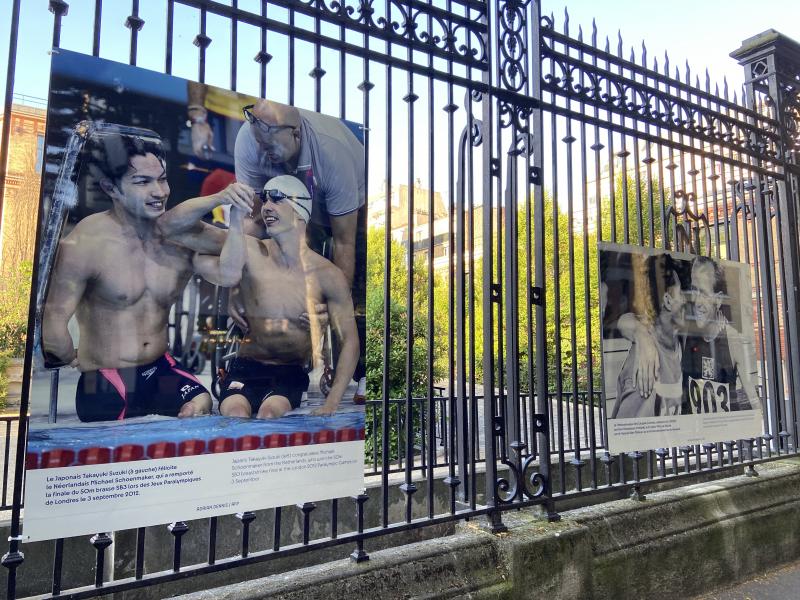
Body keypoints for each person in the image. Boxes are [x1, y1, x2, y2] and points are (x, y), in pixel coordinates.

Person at [41, 129, 252, 422]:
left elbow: (244, 257)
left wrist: (240, 294)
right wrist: (68, 356)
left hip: (160, 367)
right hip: (108, 379)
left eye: (162, 179)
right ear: (110, 188)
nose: (160, 191)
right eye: (143, 182)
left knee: (200, 406)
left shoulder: (179, 237)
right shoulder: (86, 244)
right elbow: (53, 324)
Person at [158, 175, 359, 418]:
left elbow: (350, 341)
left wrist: (332, 402)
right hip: (245, 367)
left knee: (269, 414)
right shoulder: (252, 249)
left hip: (289, 372)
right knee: (234, 414)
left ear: (300, 210)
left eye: (276, 199)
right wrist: (219, 198)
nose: (266, 206)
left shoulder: (328, 275)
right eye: (264, 199)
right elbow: (169, 226)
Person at [612, 254, 689, 418]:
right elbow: (629, 435)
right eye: (681, 293)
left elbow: (627, 320)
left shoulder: (676, 341)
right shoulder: (646, 364)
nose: (685, 300)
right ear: (668, 301)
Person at [681, 256, 760, 414]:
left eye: (703, 293)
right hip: (694, 434)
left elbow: (754, 401)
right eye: (694, 291)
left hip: (724, 435)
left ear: (717, 300)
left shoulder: (733, 340)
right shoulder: (685, 334)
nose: (697, 301)